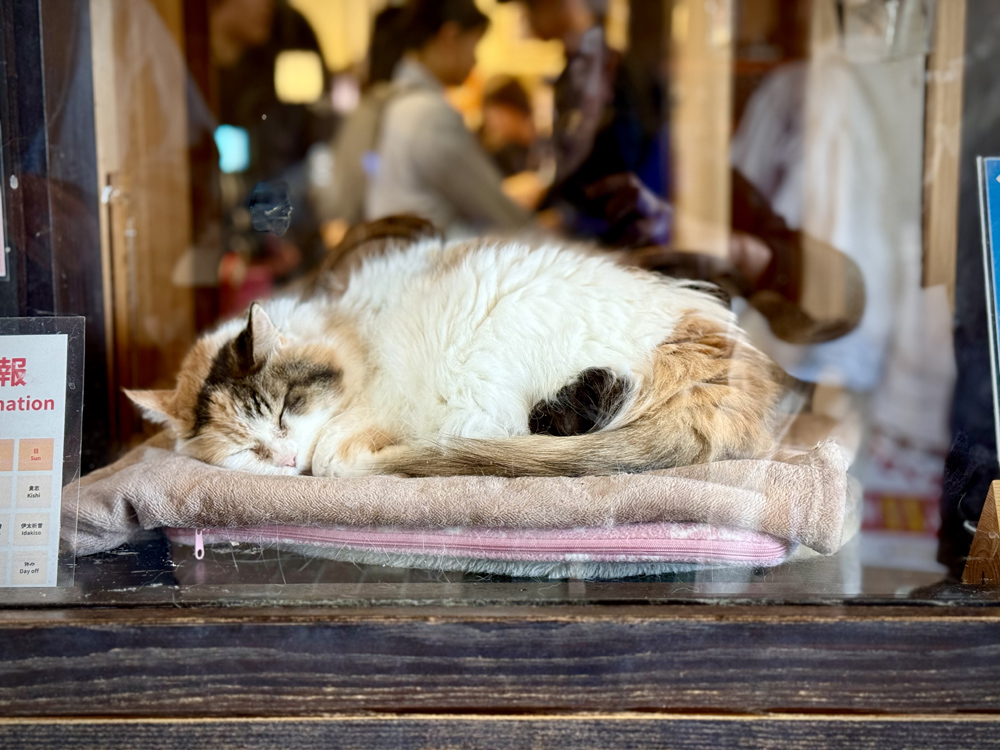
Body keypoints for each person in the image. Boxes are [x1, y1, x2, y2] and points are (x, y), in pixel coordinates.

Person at [365, 0, 529, 235]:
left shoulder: (400, 104)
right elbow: (499, 213)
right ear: (450, 38)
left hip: (405, 251)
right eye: (474, 45)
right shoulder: (429, 114)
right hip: (433, 254)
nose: (476, 60)